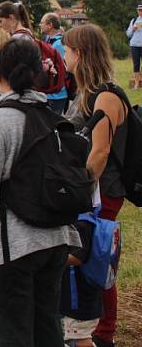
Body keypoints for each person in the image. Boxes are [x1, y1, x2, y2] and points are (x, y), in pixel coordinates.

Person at [0, 38, 80, 346]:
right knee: (46, 331)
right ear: (38, 72)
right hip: (56, 242)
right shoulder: (55, 118)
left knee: (8, 335)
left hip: (10, 249)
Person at [62, 24, 127, 347]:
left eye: (67, 49)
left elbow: (99, 151)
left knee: (98, 258)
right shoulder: (87, 92)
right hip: (94, 190)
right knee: (89, 257)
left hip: (102, 192)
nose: (63, 55)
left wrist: (81, 191)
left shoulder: (106, 96)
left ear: (81, 53)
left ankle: (103, 333)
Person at [60, 216, 102, 347]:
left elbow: (78, 257)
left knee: (79, 340)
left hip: (79, 303)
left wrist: (53, 257)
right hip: (78, 301)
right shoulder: (84, 221)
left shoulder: (83, 224)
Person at [40, 13, 69, 114]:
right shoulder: (48, 41)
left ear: (50, 25)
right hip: (48, 92)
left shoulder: (59, 44)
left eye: (42, 23)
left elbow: (63, 68)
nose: (40, 25)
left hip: (57, 94)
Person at [126, 4, 142, 89]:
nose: (141, 12)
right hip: (134, 45)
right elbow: (128, 34)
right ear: (137, 11)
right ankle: (136, 84)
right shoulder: (133, 20)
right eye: (139, 10)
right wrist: (133, 29)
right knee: (136, 65)